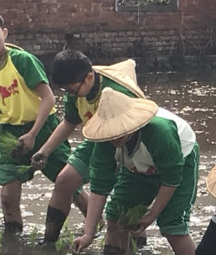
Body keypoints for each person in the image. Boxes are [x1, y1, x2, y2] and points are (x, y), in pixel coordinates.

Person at [0, 9, 80, 234]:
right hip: (9, 135)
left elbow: (49, 98)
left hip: (43, 129)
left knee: (70, 186)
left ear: (4, 33)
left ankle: (99, 226)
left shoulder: (22, 60)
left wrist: (33, 134)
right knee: (7, 195)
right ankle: (13, 242)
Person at [30, 49, 146, 243]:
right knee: (64, 181)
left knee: (126, 204)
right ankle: (49, 242)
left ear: (89, 77)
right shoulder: (75, 90)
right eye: (66, 91)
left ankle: (139, 250)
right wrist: (44, 150)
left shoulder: (117, 92)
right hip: (97, 141)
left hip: (126, 143)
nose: (70, 94)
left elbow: (136, 129)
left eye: (72, 90)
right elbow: (69, 122)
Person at [71, 88, 198, 255]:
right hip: (137, 169)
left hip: (180, 162)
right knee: (116, 217)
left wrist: (151, 215)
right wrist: (88, 234)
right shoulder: (104, 142)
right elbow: (100, 186)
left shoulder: (159, 131)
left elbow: (171, 179)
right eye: (110, 133)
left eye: (119, 131)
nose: (115, 137)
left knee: (172, 226)